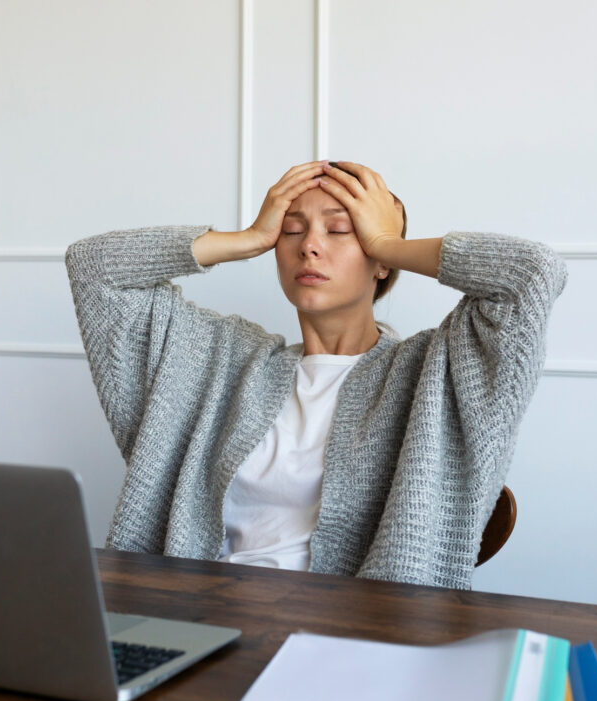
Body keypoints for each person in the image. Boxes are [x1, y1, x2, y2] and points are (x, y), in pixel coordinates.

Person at [64, 160, 568, 590]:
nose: (309, 246)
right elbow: (93, 268)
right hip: (197, 623)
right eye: (291, 228)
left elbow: (531, 274)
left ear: (381, 262)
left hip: (353, 647)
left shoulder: (438, 374)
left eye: (341, 230)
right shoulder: (219, 363)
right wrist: (246, 238)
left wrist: (387, 244)